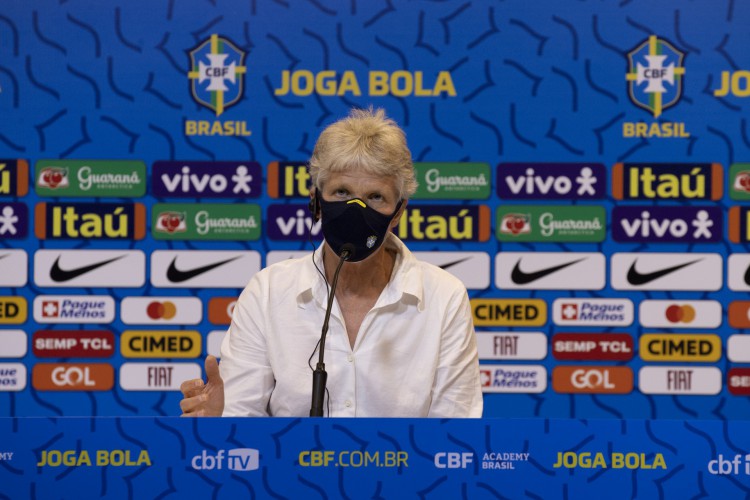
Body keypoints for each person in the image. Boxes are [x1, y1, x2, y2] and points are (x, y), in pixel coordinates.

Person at [180, 107, 482, 417]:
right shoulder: (268, 292)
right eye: (341, 192)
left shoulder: (444, 297)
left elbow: (454, 436)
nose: (356, 209)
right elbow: (239, 426)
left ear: (398, 212)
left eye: (375, 197)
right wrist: (215, 421)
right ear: (316, 202)